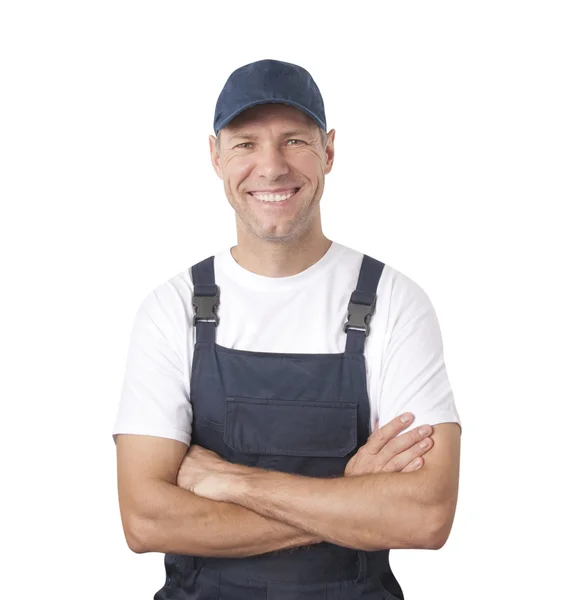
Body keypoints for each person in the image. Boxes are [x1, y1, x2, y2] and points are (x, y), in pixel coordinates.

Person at [113, 58, 462, 599]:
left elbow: (425, 514)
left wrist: (231, 482)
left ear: (329, 152)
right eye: (246, 144)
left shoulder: (396, 303)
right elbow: (145, 521)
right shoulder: (171, 310)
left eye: (295, 141)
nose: (271, 167)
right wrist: (350, 498)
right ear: (215, 157)